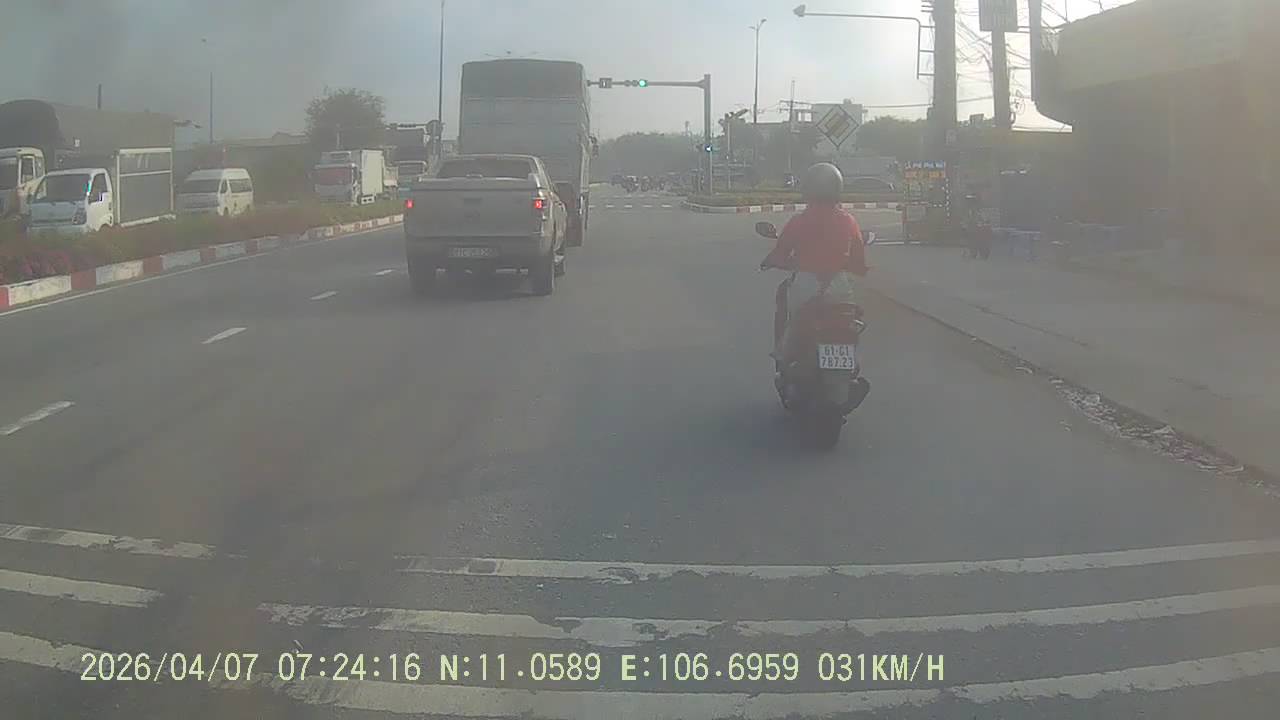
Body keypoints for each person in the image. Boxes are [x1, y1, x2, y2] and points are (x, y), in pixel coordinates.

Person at [760, 162, 869, 360]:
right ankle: (849, 359)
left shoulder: (799, 221)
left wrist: (772, 261)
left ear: (808, 190)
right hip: (839, 286)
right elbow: (859, 263)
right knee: (849, 320)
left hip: (806, 284)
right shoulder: (848, 221)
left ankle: (782, 352)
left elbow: (780, 254)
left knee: (791, 319)